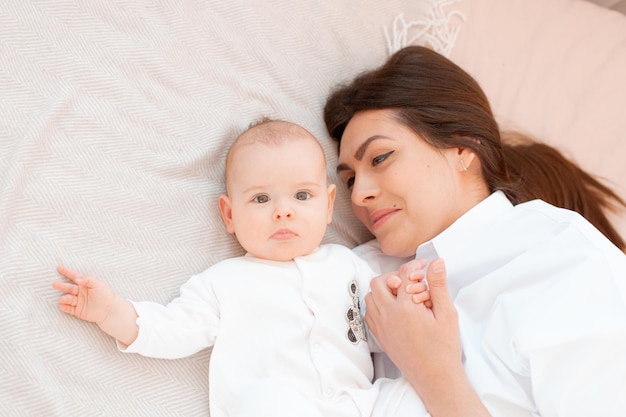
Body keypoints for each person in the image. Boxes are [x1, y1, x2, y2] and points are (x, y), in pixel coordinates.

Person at [52, 119, 430, 417]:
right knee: (267, 399)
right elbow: (173, 329)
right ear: (230, 215)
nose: (284, 210)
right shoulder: (223, 282)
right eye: (261, 198)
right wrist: (111, 311)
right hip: (280, 407)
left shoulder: (349, 264)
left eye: (302, 196)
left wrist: (408, 299)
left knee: (409, 395)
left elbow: (384, 332)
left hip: (358, 405)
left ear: (329, 206)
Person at [324, 45, 626, 417]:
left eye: (380, 158)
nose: (359, 194)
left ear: (463, 148)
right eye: (350, 179)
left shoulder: (563, 261)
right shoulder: (359, 275)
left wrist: (433, 373)